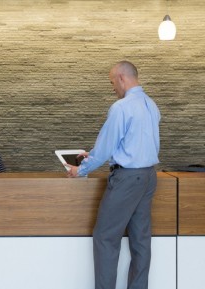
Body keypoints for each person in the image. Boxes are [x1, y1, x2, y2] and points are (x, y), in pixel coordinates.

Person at [66, 61, 160, 289]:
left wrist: (82, 170)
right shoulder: (151, 104)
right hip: (148, 177)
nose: (112, 88)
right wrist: (101, 154)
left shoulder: (121, 107)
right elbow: (134, 145)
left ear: (121, 77)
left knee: (105, 238)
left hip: (127, 180)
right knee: (140, 241)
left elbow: (106, 146)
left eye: (111, 82)